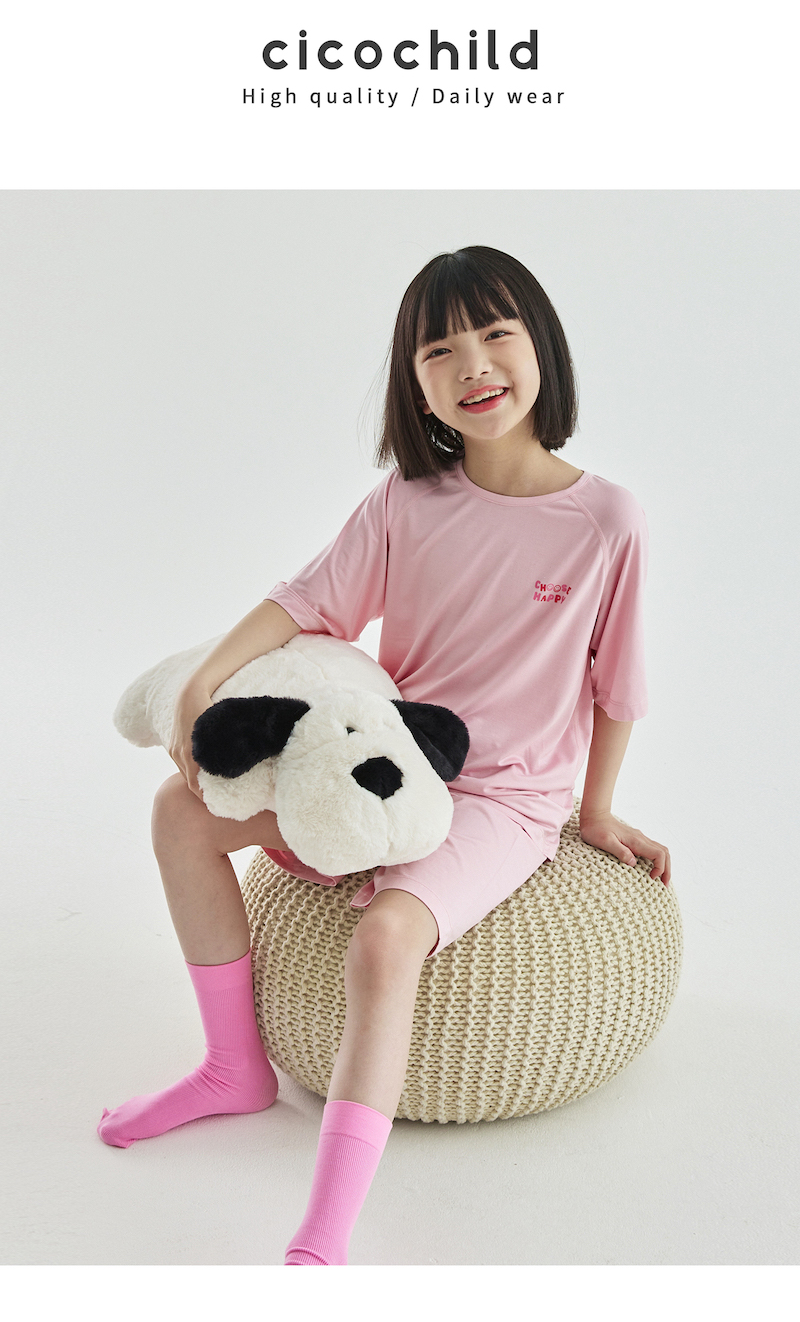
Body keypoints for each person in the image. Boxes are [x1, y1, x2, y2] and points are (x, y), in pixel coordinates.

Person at [97, 245, 671, 1265]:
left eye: (495, 333)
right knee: (178, 812)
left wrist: (592, 812)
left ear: (542, 345)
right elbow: (308, 599)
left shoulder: (605, 521)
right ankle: (233, 1068)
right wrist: (202, 680)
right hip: (390, 762)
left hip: (504, 800)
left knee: (384, 938)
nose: (472, 364)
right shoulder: (408, 500)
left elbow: (615, 687)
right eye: (438, 349)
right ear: (415, 381)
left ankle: (327, 1222)